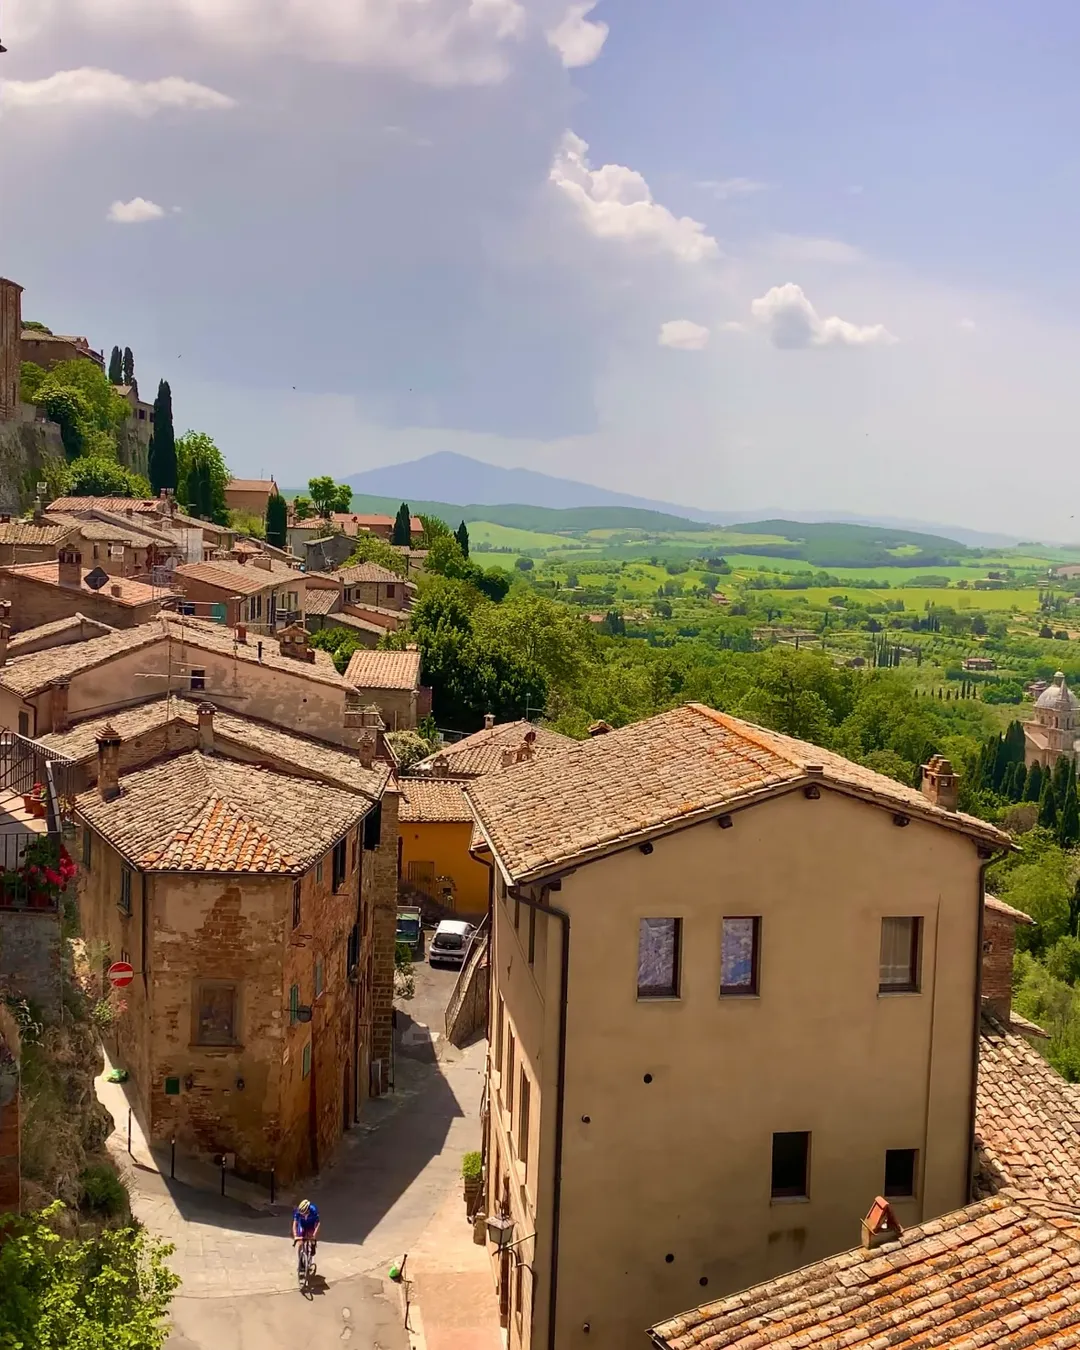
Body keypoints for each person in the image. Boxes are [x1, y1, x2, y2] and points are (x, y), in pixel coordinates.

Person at [292, 1198, 320, 1267]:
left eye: (304, 1213)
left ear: (308, 1210)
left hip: (311, 1225)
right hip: (302, 1225)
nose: (303, 1215)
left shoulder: (313, 1210)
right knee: (300, 1243)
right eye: (301, 1214)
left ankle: (313, 1245)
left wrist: (314, 1235)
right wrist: (295, 1235)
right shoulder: (298, 1211)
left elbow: (317, 1223)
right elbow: (294, 1224)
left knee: (312, 1237)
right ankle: (300, 1261)